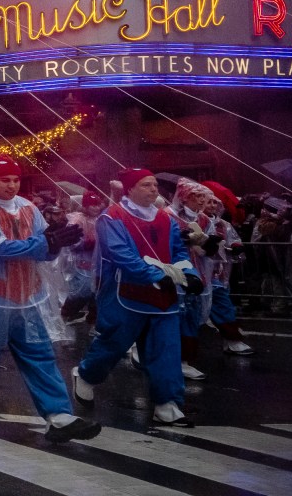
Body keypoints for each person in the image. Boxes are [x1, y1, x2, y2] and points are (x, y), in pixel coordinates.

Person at [0, 155, 100, 442]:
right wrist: (45, 242)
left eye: (16, 180)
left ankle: (58, 415)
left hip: (27, 295)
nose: (11, 186)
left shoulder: (28, 207)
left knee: (40, 352)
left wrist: (55, 244)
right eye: (4, 180)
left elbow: (43, 250)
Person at [72, 168, 202, 426]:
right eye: (145, 185)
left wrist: (189, 273)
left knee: (166, 350)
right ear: (129, 189)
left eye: (154, 185)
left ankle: (167, 405)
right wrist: (155, 274)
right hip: (126, 293)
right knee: (113, 345)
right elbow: (121, 254)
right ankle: (86, 374)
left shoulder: (166, 219)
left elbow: (178, 250)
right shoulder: (113, 217)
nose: (153, 189)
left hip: (163, 297)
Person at [169, 178, 218, 380]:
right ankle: (169, 360)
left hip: (198, 276)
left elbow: (209, 250)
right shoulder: (169, 217)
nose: (201, 200)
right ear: (184, 197)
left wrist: (209, 246)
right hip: (175, 276)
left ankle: (184, 361)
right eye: (196, 196)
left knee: (192, 318)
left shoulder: (205, 220)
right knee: (172, 319)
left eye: (202, 196)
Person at [200, 190, 252, 356]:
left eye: (215, 202)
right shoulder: (194, 221)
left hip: (219, 272)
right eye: (209, 202)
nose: (213, 206)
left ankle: (231, 339)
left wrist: (236, 247)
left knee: (223, 303)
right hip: (198, 270)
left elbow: (233, 239)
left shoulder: (223, 224)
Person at [60, 191, 103, 324]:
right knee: (81, 290)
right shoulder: (77, 220)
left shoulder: (98, 219)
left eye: (97, 205)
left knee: (96, 289)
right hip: (81, 261)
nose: (96, 208)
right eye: (92, 205)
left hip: (96, 262)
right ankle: (67, 312)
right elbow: (69, 242)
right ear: (85, 206)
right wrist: (85, 243)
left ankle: (93, 317)